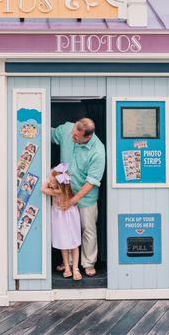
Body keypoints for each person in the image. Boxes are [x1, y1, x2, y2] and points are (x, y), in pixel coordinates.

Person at [51, 118, 105, 277]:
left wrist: (73, 201)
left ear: (87, 137)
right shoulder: (67, 129)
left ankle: (88, 263)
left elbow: (91, 182)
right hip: (64, 193)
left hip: (85, 197)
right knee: (65, 229)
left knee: (87, 230)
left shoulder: (98, 151)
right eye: (73, 133)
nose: (72, 137)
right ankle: (68, 264)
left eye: (76, 136)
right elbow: (49, 134)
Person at [41, 163, 82, 280]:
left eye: (51, 181)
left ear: (59, 185)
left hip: (66, 217)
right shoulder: (64, 189)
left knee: (71, 243)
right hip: (64, 216)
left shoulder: (58, 192)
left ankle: (72, 268)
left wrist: (46, 183)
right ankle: (72, 268)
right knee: (67, 243)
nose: (49, 182)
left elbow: (43, 189)